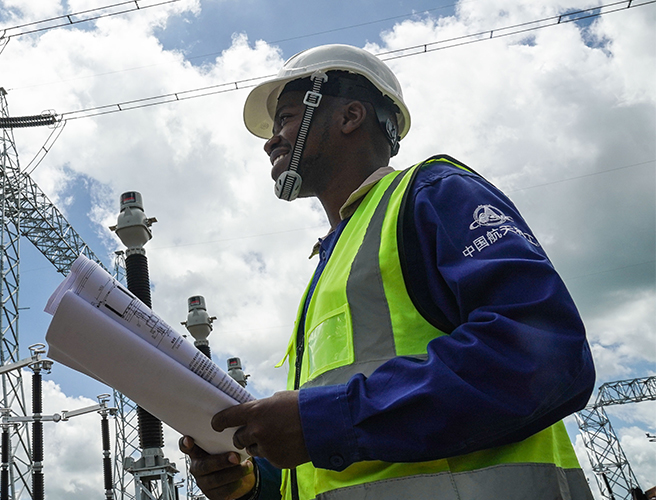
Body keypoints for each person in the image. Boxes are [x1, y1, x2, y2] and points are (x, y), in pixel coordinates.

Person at [179, 44, 595, 500]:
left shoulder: (433, 193)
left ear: (350, 115)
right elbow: (329, 454)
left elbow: (547, 355)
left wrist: (323, 420)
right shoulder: (334, 259)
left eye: (286, 119)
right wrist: (254, 481)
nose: (270, 140)